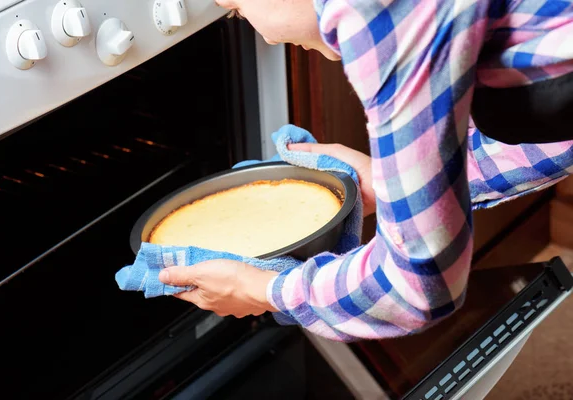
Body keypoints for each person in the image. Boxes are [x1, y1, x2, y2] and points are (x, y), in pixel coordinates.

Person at [157, 0, 573, 341]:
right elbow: (558, 118)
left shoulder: (379, 12)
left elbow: (417, 289)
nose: (262, 35)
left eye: (235, 9)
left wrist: (262, 289)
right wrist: (393, 182)